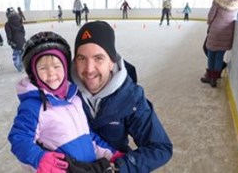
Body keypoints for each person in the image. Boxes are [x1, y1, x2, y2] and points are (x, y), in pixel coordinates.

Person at [8, 31, 124, 173]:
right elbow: (19, 138)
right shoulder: (34, 106)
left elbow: (88, 137)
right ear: (34, 73)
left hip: (87, 168)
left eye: (57, 66)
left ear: (65, 67)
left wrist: (111, 154)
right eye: (43, 68)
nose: (51, 74)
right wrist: (39, 158)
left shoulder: (74, 100)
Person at [71, 21, 173, 172]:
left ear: (112, 61)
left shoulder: (130, 97)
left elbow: (160, 147)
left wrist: (118, 168)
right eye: (81, 58)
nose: (89, 69)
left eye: (98, 58)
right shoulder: (61, 93)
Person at [200, 0, 238, 88]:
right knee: (219, 55)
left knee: (211, 53)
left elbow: (212, 14)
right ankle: (215, 77)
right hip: (228, 30)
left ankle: (209, 77)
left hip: (216, 29)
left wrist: (209, 22)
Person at [5, 8, 26, 72]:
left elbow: (9, 34)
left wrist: (9, 41)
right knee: (22, 53)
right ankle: (24, 64)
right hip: (22, 41)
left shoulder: (7, 24)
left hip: (15, 42)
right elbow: (23, 32)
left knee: (16, 54)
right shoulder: (19, 22)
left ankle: (19, 66)